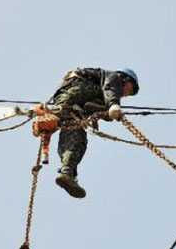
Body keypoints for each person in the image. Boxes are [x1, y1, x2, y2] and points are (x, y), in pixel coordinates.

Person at [47, 67, 140, 198]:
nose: (127, 94)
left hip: (72, 105)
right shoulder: (114, 77)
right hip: (75, 92)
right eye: (130, 89)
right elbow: (110, 88)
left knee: (77, 139)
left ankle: (67, 172)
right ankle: (57, 113)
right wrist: (113, 104)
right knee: (104, 101)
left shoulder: (104, 91)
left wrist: (108, 113)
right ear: (126, 79)